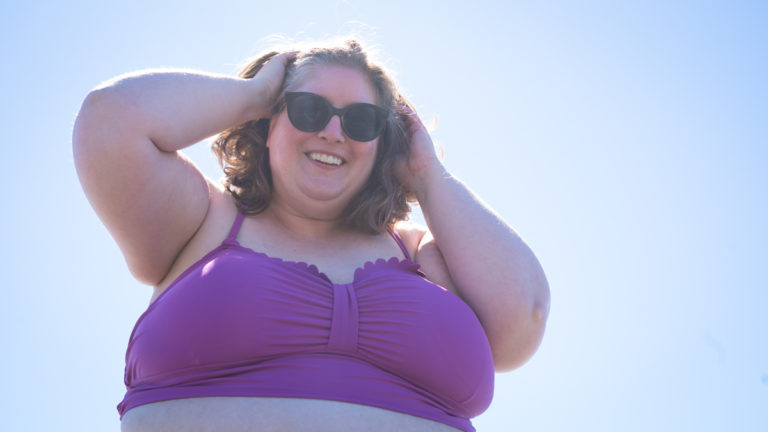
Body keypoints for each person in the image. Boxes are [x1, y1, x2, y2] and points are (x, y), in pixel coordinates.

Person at [73, 38, 550, 432]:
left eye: (361, 121)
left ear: (384, 143)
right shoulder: (202, 221)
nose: (334, 131)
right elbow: (110, 120)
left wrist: (426, 172)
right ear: (266, 125)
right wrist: (257, 95)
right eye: (308, 109)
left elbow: (523, 317)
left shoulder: (421, 252)